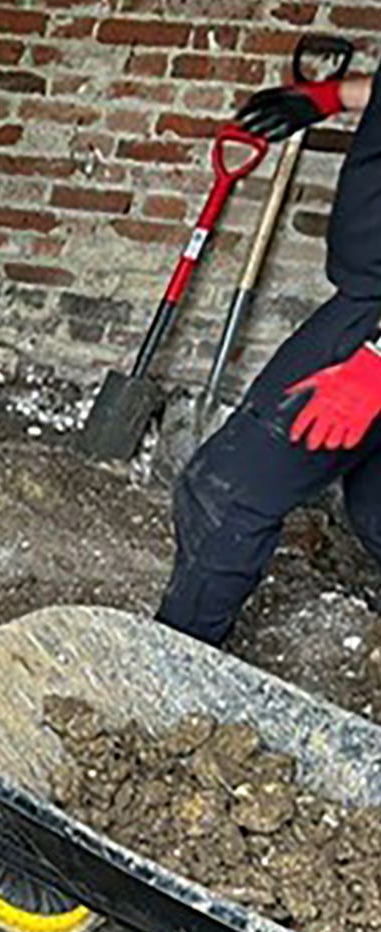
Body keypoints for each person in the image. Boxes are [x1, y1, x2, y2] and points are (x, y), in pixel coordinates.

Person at [159, 71, 381, 644]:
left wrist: (377, 360)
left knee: (229, 490)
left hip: (370, 327)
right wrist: (328, 98)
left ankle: (175, 666)